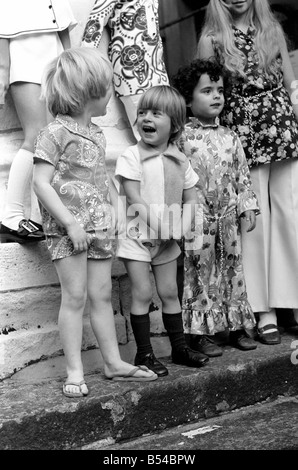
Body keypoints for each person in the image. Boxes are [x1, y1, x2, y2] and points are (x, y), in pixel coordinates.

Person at [33, 47, 157, 398]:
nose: (112, 95)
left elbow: (97, 178)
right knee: (74, 296)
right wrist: (70, 223)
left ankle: (113, 362)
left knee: (101, 295)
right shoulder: (54, 133)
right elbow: (41, 183)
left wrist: (116, 208)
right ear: (89, 92)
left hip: (100, 226)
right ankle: (74, 370)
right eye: (107, 89)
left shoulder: (98, 133)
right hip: (69, 229)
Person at [196, 0, 298, 344]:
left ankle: (292, 303)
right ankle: (262, 309)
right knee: (254, 221)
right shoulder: (212, 38)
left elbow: (290, 84)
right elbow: (204, 92)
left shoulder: (272, 29)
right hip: (241, 132)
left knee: (290, 214)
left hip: (282, 127)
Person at [114, 85, 210, 377]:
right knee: (142, 292)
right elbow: (134, 198)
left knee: (169, 291)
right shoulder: (131, 156)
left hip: (168, 237)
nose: (147, 118)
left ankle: (179, 348)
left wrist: (180, 227)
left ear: (175, 125)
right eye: (143, 112)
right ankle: (144, 354)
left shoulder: (179, 159)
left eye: (157, 113)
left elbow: (191, 195)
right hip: (138, 237)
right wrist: (163, 228)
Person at [172, 58, 259, 356]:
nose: (217, 96)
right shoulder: (182, 138)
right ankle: (198, 333)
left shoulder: (230, 137)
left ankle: (235, 327)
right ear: (187, 98)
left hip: (228, 218)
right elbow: (175, 179)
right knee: (199, 273)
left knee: (232, 270)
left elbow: (241, 176)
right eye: (207, 91)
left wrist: (247, 206)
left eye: (220, 90)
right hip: (197, 218)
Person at [0, 0, 77, 244]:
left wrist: (71, 65)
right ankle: (10, 217)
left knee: (52, 140)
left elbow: (62, 25)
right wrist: (2, 73)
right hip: (23, 60)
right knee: (35, 137)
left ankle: (39, 217)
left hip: (55, 61)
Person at [81, 0, 169, 140]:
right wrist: (82, 63)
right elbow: (96, 19)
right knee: (148, 136)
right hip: (131, 69)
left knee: (164, 133)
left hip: (157, 69)